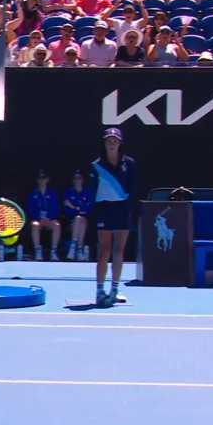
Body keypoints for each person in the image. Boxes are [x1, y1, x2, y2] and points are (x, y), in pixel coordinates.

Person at [90, 127, 135, 307]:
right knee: (105, 250)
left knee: (119, 249)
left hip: (122, 208)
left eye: (115, 141)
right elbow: (93, 189)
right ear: (105, 143)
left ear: (120, 143)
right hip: (104, 209)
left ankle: (114, 290)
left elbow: (132, 186)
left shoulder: (129, 164)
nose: (111, 144)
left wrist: (122, 200)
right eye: (109, 141)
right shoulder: (96, 165)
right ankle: (100, 291)